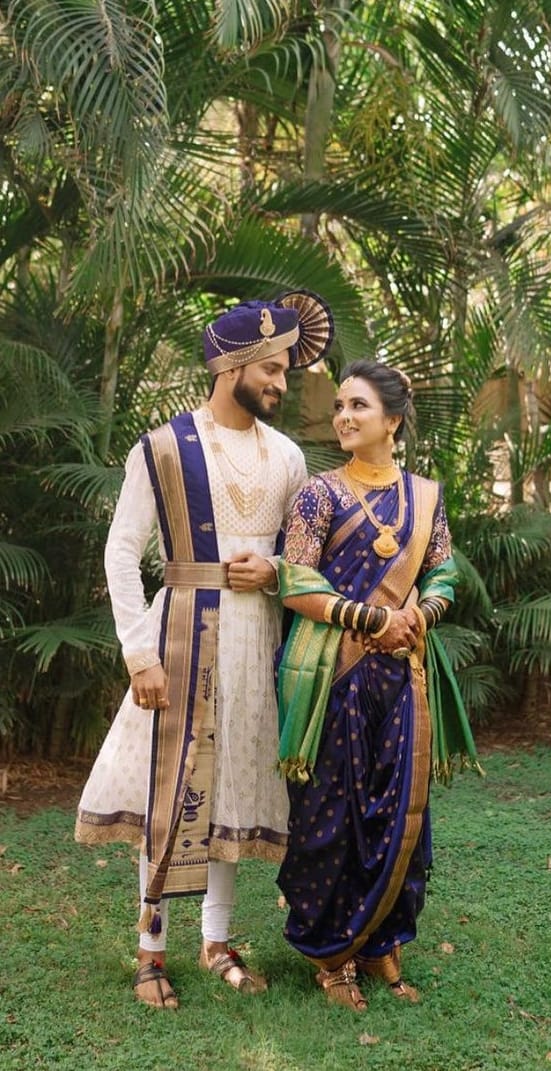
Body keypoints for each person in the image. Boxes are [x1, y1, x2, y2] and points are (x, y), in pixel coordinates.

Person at [75, 290, 334, 1009]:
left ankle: (216, 941)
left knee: (235, 790)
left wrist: (274, 570)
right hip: (179, 639)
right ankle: (150, 948)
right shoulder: (162, 448)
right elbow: (121, 551)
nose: (282, 383)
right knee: (171, 786)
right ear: (232, 366)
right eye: (272, 369)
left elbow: (303, 558)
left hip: (259, 645)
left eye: (284, 370)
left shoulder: (287, 457)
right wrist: (139, 654)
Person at [275, 359, 480, 1012]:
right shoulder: (318, 495)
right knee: (329, 816)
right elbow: (295, 582)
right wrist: (371, 620)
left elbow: (442, 572)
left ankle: (380, 942)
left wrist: (422, 614)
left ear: (392, 420)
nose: (343, 416)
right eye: (339, 406)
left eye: (357, 405)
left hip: (402, 678)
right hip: (332, 676)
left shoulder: (425, 497)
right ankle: (330, 954)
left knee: (399, 812)